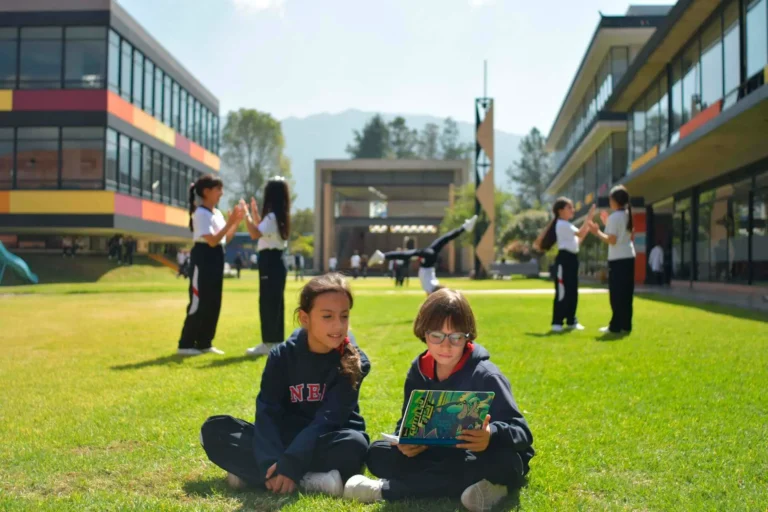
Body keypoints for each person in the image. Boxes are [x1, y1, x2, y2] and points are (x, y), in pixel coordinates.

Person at [343, 289, 534, 511]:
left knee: (503, 463)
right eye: (437, 336)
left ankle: (386, 490)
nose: (446, 345)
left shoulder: (486, 375)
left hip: (479, 455)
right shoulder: (419, 370)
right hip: (438, 453)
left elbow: (522, 432)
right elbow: (408, 421)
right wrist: (406, 442)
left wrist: (491, 435)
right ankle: (484, 488)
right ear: (424, 333)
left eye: (455, 337)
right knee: (378, 453)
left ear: (468, 336)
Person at [200, 274, 371, 497]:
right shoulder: (282, 356)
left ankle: (255, 475)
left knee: (355, 446)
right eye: (327, 316)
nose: (338, 325)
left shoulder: (354, 361)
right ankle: (311, 481)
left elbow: (328, 419)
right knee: (215, 430)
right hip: (286, 439)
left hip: (329, 437)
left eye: (344, 316)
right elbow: (267, 410)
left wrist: (291, 462)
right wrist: (271, 459)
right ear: (304, 318)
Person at [177, 175, 244, 356]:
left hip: (216, 257)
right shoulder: (200, 213)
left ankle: (205, 342)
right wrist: (230, 223)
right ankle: (186, 344)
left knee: (214, 301)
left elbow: (225, 239)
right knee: (199, 301)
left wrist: (236, 222)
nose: (221, 194)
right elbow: (212, 240)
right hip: (203, 257)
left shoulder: (217, 214)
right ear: (206, 192)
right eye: (218, 190)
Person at [368, 216, 478, 295]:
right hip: (428, 261)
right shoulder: (430, 287)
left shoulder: (431, 286)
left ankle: (464, 227)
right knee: (409, 253)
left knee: (444, 239)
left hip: (430, 259)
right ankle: (383, 256)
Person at [243, 177, 292, 357]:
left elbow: (255, 233)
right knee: (276, 302)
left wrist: (246, 215)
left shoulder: (272, 217)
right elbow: (263, 228)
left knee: (267, 302)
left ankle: (268, 342)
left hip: (269, 261)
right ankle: (276, 340)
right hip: (277, 260)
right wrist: (255, 214)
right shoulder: (279, 216)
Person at [535, 199, 594, 333]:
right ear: (560, 211)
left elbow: (578, 240)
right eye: (569, 207)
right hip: (564, 260)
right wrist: (589, 217)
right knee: (562, 292)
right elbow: (580, 232)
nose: (572, 210)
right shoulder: (562, 224)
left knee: (572, 291)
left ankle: (571, 320)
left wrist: (588, 224)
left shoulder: (567, 226)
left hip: (572, 259)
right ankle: (557, 322)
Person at [590, 185, 636, 334]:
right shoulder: (627, 214)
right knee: (626, 294)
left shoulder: (615, 217)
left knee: (616, 294)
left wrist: (597, 232)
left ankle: (615, 326)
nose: (609, 202)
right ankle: (626, 325)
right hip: (629, 256)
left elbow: (612, 239)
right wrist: (606, 224)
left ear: (615, 201)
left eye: (610, 199)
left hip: (618, 259)